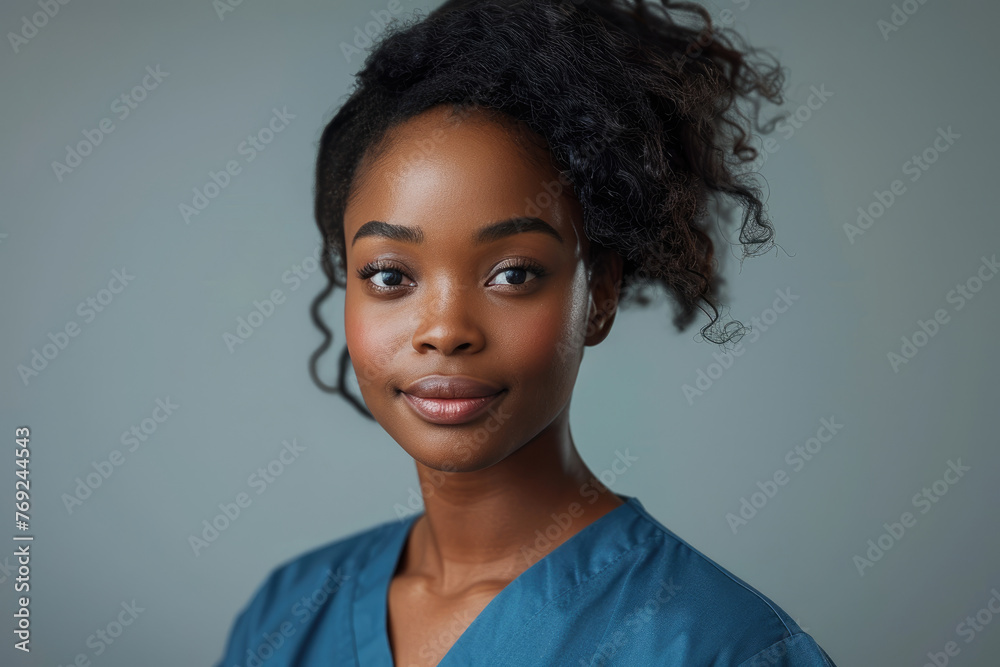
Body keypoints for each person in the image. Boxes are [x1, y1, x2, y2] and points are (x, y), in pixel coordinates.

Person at [216, 0, 837, 664]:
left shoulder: (718, 645)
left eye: (512, 274)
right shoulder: (287, 615)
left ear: (597, 294)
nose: (445, 330)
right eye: (391, 275)